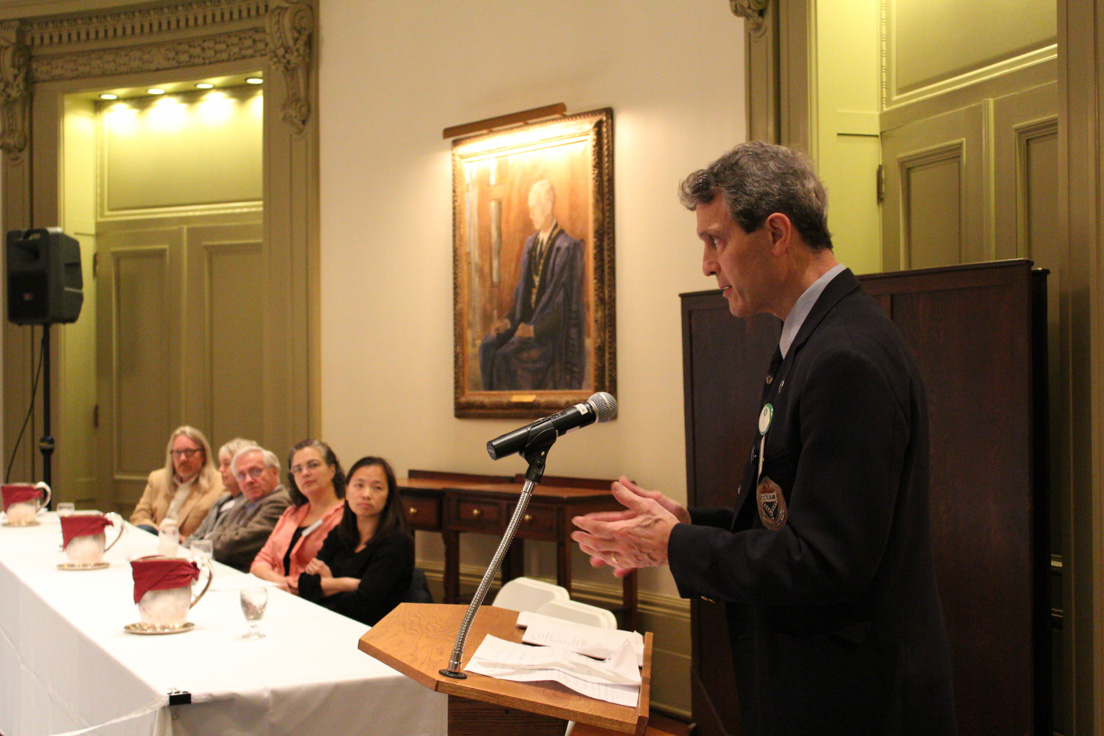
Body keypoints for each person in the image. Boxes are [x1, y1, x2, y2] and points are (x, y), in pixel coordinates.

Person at [570, 142, 956, 736]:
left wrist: (676, 546)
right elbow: (793, 521)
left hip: (854, 701)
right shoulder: (812, 339)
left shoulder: (844, 355)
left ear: (777, 233)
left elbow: (826, 561)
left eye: (716, 240)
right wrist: (688, 524)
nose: (705, 264)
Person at [479, 179, 586, 390]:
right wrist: (509, 322)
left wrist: (534, 330)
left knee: (503, 358)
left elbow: (568, 309)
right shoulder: (531, 244)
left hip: (548, 336)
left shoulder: (568, 248)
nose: (531, 214)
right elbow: (523, 298)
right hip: (524, 328)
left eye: (534, 208)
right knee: (487, 347)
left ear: (548, 205)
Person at [298, 456, 414, 625]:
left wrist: (327, 585)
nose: (366, 494)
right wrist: (346, 584)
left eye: (377, 488)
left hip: (374, 634)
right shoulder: (339, 534)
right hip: (331, 625)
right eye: (359, 485)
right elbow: (304, 584)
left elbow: (365, 604)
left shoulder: (397, 543)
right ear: (346, 491)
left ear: (388, 496)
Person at [251, 439, 345, 593]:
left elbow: (331, 576)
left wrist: (284, 584)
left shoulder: (346, 517)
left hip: (314, 601)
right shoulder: (292, 513)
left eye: (313, 465)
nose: (305, 473)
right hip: (277, 593)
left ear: (332, 469)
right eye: (298, 469)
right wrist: (278, 581)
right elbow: (260, 561)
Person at [200, 445, 291, 572]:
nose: (248, 480)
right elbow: (223, 530)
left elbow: (235, 547)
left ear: (274, 472)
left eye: (255, 471)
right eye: (241, 475)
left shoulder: (278, 502)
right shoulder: (245, 500)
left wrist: (209, 540)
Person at [130, 426, 223, 540]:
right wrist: (159, 532)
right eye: (177, 452)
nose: (183, 458)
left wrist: (178, 539)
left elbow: (217, 534)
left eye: (189, 452)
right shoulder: (157, 479)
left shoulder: (220, 485)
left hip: (186, 548)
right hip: (154, 540)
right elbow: (138, 517)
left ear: (203, 455)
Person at [190, 437, 255, 542]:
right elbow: (197, 535)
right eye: (221, 464)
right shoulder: (220, 502)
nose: (220, 469)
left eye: (227, 464)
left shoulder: (250, 504)